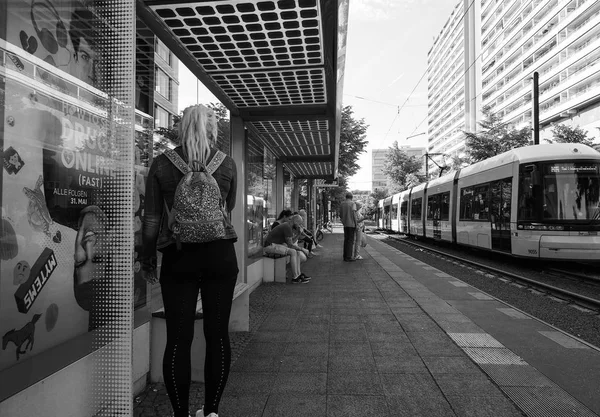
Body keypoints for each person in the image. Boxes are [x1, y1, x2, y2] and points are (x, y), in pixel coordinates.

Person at [141, 104, 238, 417]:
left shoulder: (160, 164)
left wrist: (147, 259)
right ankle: (210, 412)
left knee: (178, 338)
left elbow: (152, 220)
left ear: (182, 128)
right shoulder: (227, 164)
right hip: (220, 256)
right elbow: (229, 206)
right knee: (217, 334)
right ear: (211, 129)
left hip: (178, 256)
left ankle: (180, 413)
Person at [263, 214, 311, 284]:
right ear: (295, 222)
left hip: (275, 245)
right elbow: (291, 245)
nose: (300, 226)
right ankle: (295, 277)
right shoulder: (287, 227)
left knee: (296, 252)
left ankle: (298, 274)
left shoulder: (288, 226)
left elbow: (291, 242)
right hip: (269, 246)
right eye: (299, 224)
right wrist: (303, 249)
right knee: (293, 252)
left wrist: (298, 233)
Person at [340, 192, 357, 261]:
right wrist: (356, 224)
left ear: (346, 197)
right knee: (350, 241)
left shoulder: (342, 204)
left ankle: (345, 256)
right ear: (351, 197)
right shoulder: (353, 204)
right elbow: (354, 215)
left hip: (345, 224)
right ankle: (349, 257)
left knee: (346, 240)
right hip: (351, 224)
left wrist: (343, 222)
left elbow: (340, 215)